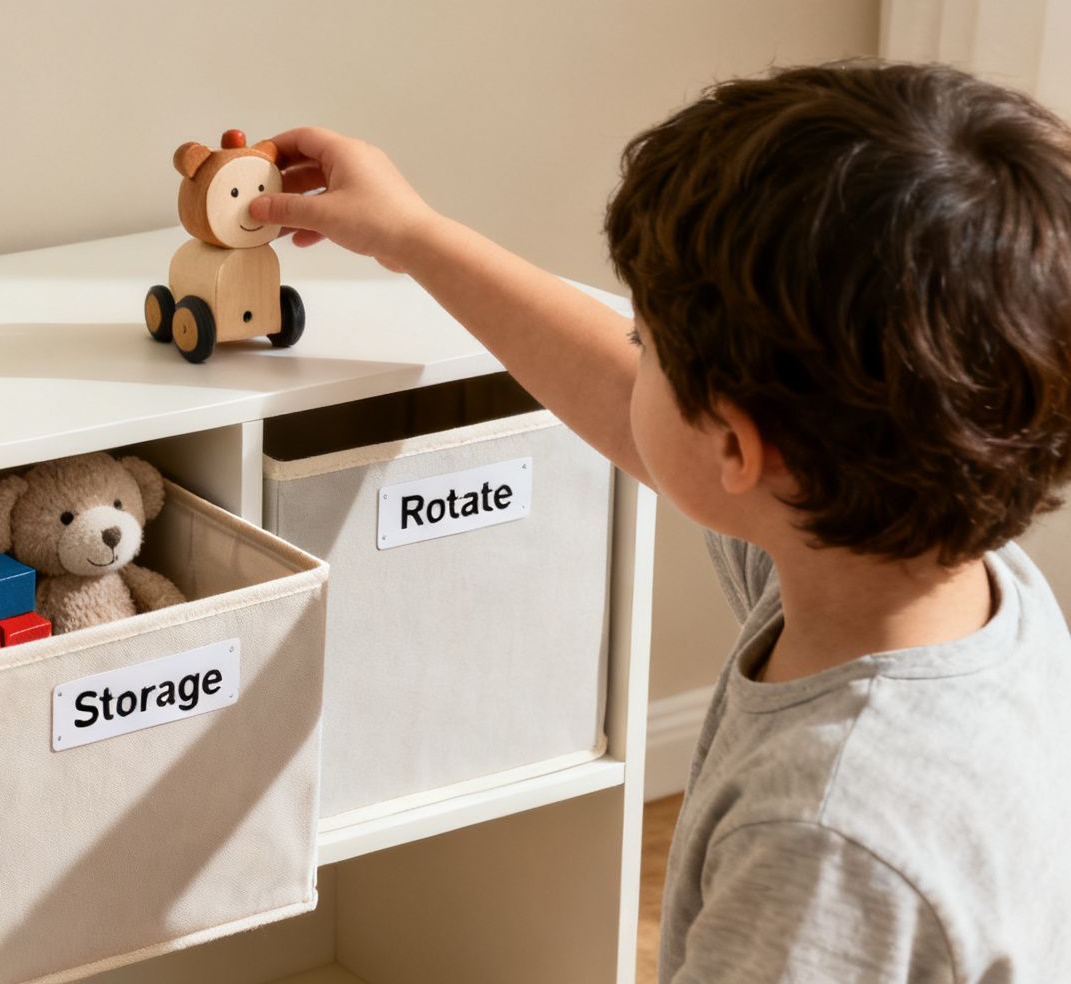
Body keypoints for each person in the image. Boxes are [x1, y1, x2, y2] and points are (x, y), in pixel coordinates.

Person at [250, 62, 1071, 981]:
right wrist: (416, 240)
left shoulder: (822, 844)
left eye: (648, 347)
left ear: (737, 445)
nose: (632, 361)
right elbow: (626, 407)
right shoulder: (956, 582)